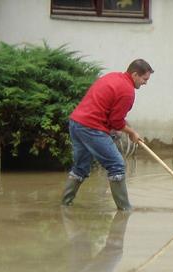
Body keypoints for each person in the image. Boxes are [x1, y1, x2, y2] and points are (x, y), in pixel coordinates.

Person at [61, 59, 154, 210]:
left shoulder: (113, 76)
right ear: (135, 75)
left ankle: (65, 204)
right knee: (117, 165)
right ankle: (125, 210)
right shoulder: (127, 91)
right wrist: (132, 133)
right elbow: (116, 122)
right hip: (91, 128)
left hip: (76, 123)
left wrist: (126, 128)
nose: (145, 83)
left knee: (80, 167)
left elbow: (112, 115)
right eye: (144, 79)